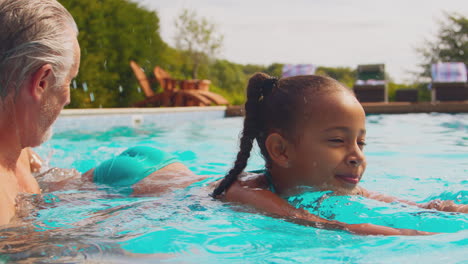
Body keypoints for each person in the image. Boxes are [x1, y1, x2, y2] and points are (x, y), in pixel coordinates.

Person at [0, 0, 81, 226]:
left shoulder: (20, 154)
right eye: (69, 82)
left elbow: (54, 178)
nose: (68, 98)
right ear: (41, 83)